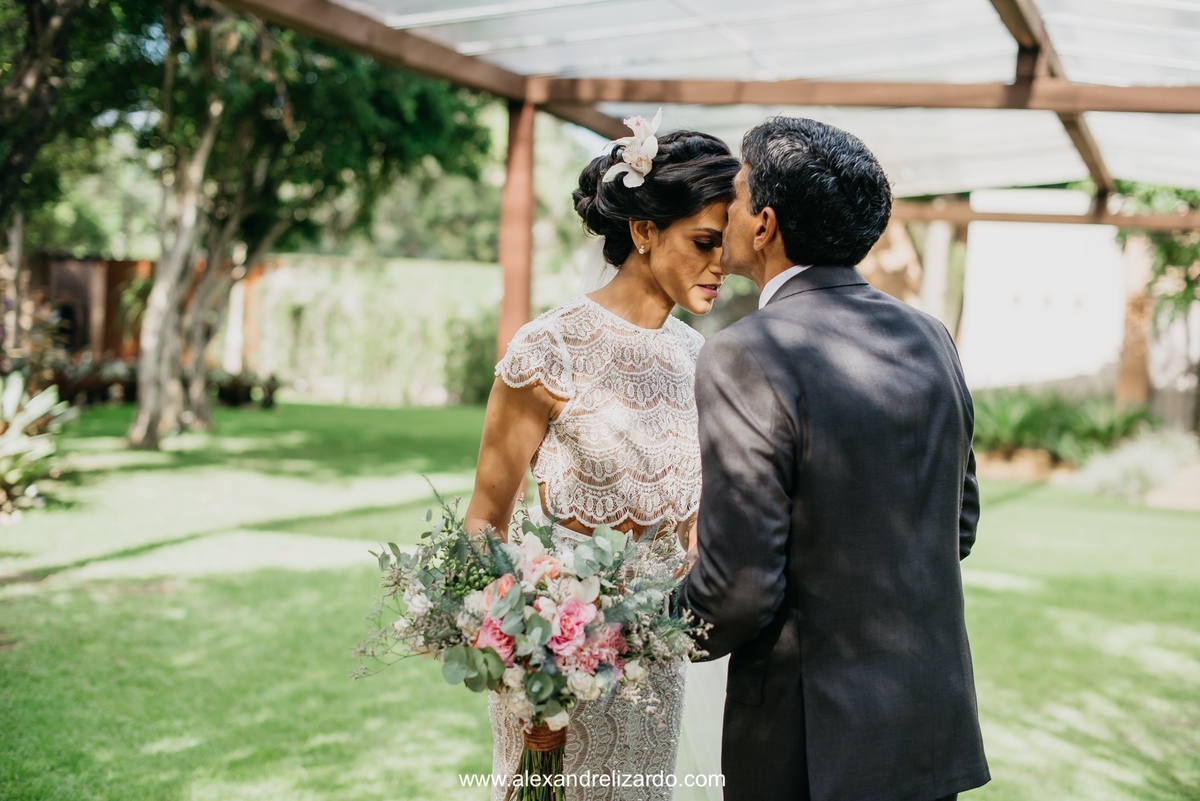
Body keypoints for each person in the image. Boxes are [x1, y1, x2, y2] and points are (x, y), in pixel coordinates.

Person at [676, 116, 990, 801]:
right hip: (928, 728)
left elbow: (740, 588)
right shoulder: (932, 336)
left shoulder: (745, 352)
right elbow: (958, 526)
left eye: (734, 193)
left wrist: (641, 627)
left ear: (763, 225)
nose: (722, 211)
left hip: (808, 746)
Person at [463, 121, 740, 800]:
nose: (720, 264)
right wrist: (517, 659)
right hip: (549, 669)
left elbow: (699, 536)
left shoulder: (701, 360)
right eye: (705, 242)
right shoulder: (546, 349)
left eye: (725, 245)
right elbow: (485, 521)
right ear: (643, 231)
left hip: (654, 669)